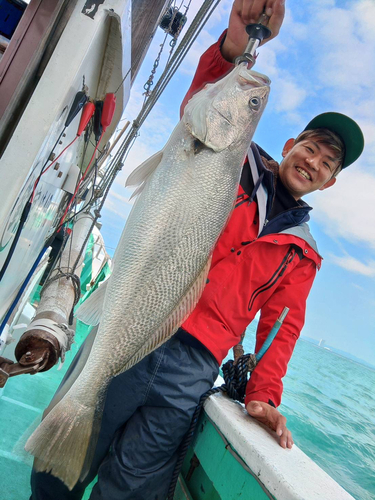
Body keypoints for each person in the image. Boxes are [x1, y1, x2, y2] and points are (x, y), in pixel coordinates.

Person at [29, 1, 364, 499]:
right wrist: (237, 46)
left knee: (129, 490)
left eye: (328, 162)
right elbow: (209, 93)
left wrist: (264, 396)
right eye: (311, 146)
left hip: (193, 371)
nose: (314, 161)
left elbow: (281, 329)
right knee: (56, 477)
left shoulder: (303, 255)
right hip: (134, 320)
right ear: (291, 143)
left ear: (331, 183)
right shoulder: (231, 158)